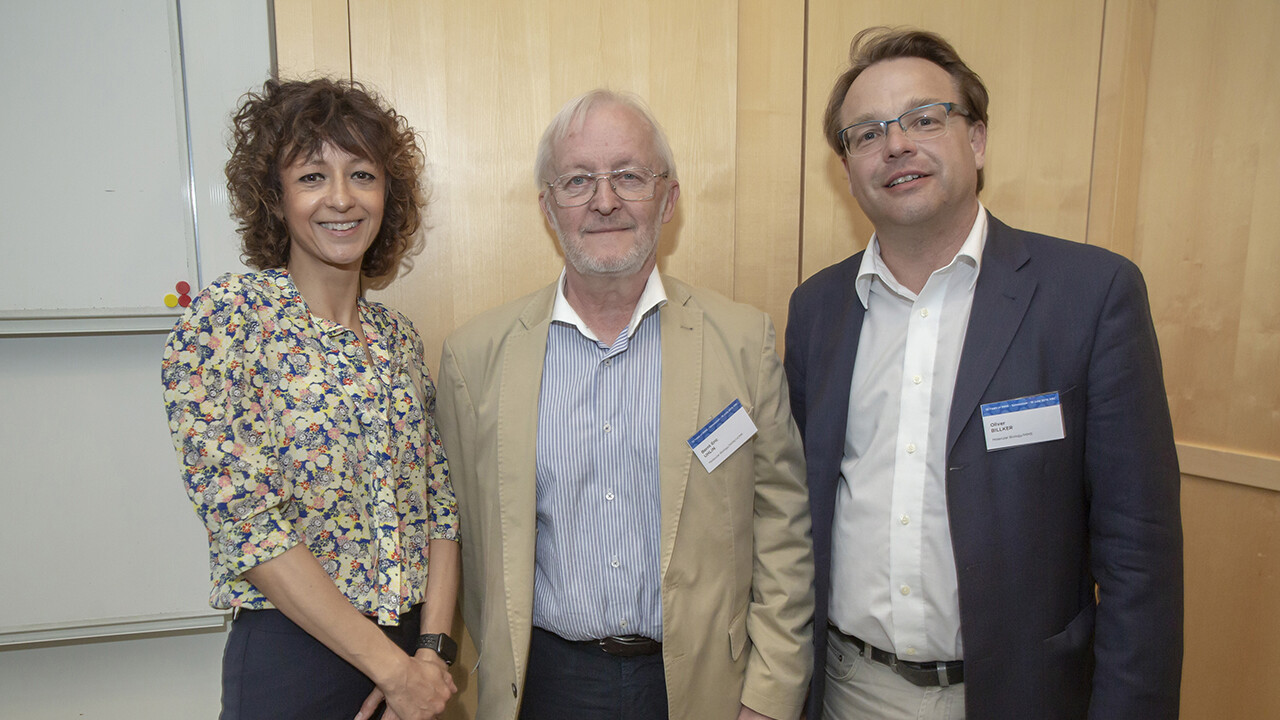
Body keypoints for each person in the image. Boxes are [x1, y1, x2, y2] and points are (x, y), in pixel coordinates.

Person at [784, 27, 1183, 720]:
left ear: (976, 140)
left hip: (1021, 696)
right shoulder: (817, 308)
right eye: (868, 133)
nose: (897, 145)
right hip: (849, 692)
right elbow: (793, 511)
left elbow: (1138, 554)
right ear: (845, 167)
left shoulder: (1089, 295)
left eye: (924, 119)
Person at [434, 89, 814, 720]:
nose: (604, 201)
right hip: (543, 688)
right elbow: (464, 536)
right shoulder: (475, 358)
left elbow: (783, 530)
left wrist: (770, 697)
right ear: (548, 208)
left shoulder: (743, 342)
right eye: (578, 180)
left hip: (704, 687)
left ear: (669, 199)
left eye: (629, 177)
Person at [161, 78, 460, 720]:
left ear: (388, 193)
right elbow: (248, 526)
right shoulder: (230, 319)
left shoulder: (396, 338)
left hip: (412, 660)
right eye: (312, 177)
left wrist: (430, 654)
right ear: (274, 197)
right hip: (296, 660)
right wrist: (391, 670)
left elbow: (440, 508)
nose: (342, 198)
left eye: (362, 174)